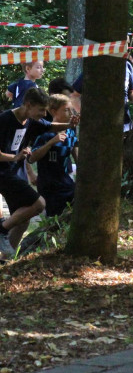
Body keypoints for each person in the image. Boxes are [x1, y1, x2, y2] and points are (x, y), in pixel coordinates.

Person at [0, 88, 78, 258]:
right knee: (39, 204)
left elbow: (50, 126)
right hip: (3, 173)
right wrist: (15, 157)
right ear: (28, 105)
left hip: (15, 171)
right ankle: (1, 229)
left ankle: (5, 260)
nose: (44, 114)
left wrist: (70, 125)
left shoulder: (31, 120)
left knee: (22, 218)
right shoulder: (5, 119)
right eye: (41, 109)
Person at [29, 93, 78, 217]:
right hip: (49, 185)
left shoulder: (70, 130)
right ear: (53, 111)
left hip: (66, 181)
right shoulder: (45, 133)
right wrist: (51, 143)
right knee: (54, 219)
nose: (71, 113)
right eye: (66, 110)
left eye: (71, 110)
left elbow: (74, 149)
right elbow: (32, 157)